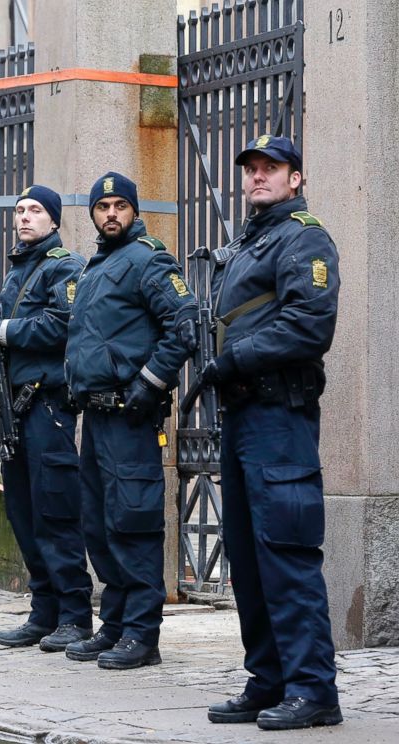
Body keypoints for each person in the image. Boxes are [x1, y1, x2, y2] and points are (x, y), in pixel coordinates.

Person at [201, 135, 342, 730]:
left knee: (285, 553)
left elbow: (310, 324)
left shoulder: (303, 237)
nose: (258, 177)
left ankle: (314, 691)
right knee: (248, 556)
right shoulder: (248, 241)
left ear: (296, 177)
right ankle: (268, 680)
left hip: (279, 418)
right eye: (251, 168)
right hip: (242, 417)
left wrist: (236, 358)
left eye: (271, 168)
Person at [64, 172, 197, 669]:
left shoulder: (148, 259)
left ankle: (143, 635)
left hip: (131, 415)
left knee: (133, 522)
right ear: (94, 215)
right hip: (96, 419)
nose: (112, 213)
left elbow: (184, 323)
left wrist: (150, 383)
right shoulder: (97, 266)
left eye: (121, 205)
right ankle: (115, 624)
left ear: (134, 211)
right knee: (98, 525)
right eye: (103, 206)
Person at [0, 184, 94, 652]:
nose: (25, 217)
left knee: (55, 511)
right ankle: (44, 611)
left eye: (36, 211)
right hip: (15, 409)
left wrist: (3, 332)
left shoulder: (64, 266)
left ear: (54, 221)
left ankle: (75, 616)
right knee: (23, 512)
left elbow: (63, 325)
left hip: (47, 407)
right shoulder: (17, 269)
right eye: (20, 210)